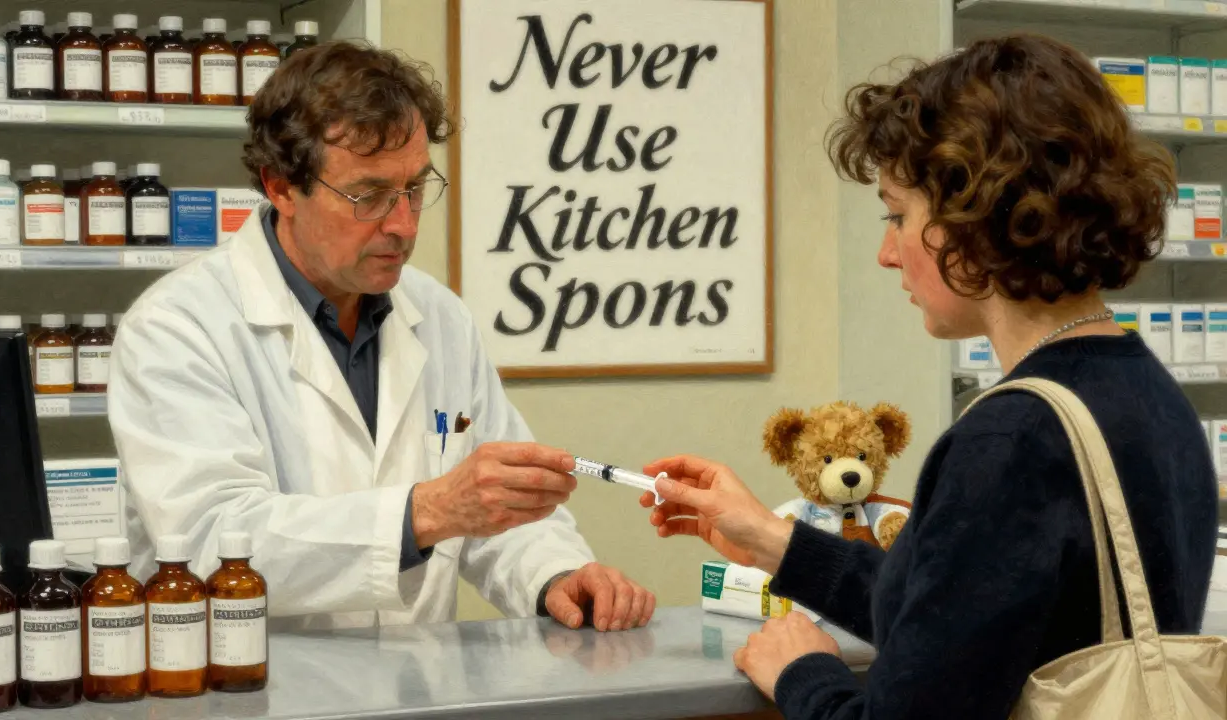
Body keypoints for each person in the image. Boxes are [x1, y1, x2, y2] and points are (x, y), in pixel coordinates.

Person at [640, 34, 1218, 719]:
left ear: (981, 215)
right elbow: (961, 622)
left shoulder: (1011, 440)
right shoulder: (1144, 391)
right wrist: (772, 540)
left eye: (897, 215)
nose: (887, 254)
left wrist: (804, 675)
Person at [107, 41, 653, 633]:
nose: (403, 224)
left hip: (412, 687)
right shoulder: (178, 327)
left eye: (414, 189)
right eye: (367, 196)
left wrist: (556, 576)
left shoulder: (438, 316)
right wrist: (427, 512)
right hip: (250, 688)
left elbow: (499, 504)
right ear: (282, 186)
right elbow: (211, 542)